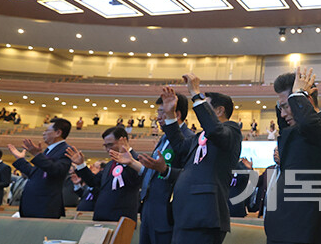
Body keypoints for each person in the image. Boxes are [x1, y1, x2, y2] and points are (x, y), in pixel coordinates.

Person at [265, 68, 321, 244]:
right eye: (281, 108)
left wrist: (297, 95)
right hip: (279, 224)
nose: (283, 114)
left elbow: (310, 125)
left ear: (305, 99)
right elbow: (292, 125)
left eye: (286, 106)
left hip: (305, 225)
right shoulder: (295, 130)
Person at [160, 74, 242, 244]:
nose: (200, 109)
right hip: (185, 213)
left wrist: (196, 94)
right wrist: (170, 115)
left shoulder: (231, 131)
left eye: (206, 104)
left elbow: (214, 130)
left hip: (206, 213)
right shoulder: (199, 137)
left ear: (219, 111)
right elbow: (180, 145)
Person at [113, 92, 194, 244]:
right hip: (149, 210)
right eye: (158, 112)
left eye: (162, 112)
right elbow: (153, 173)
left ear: (176, 114)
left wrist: (164, 170)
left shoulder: (188, 139)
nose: (158, 117)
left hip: (167, 214)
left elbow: (189, 176)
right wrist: (131, 162)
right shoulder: (164, 138)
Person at [66, 127, 141, 222]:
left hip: (120, 218)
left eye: (110, 145)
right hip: (101, 217)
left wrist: (129, 163)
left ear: (123, 141)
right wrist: (81, 165)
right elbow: (93, 182)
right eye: (105, 146)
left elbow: (134, 180)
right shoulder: (110, 164)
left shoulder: (137, 161)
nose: (108, 150)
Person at [7, 118, 72, 218]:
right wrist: (20, 160)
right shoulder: (48, 150)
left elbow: (57, 170)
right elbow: (35, 174)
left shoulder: (66, 150)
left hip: (45, 205)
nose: (43, 133)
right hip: (33, 204)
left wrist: (37, 155)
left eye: (47, 130)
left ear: (58, 132)